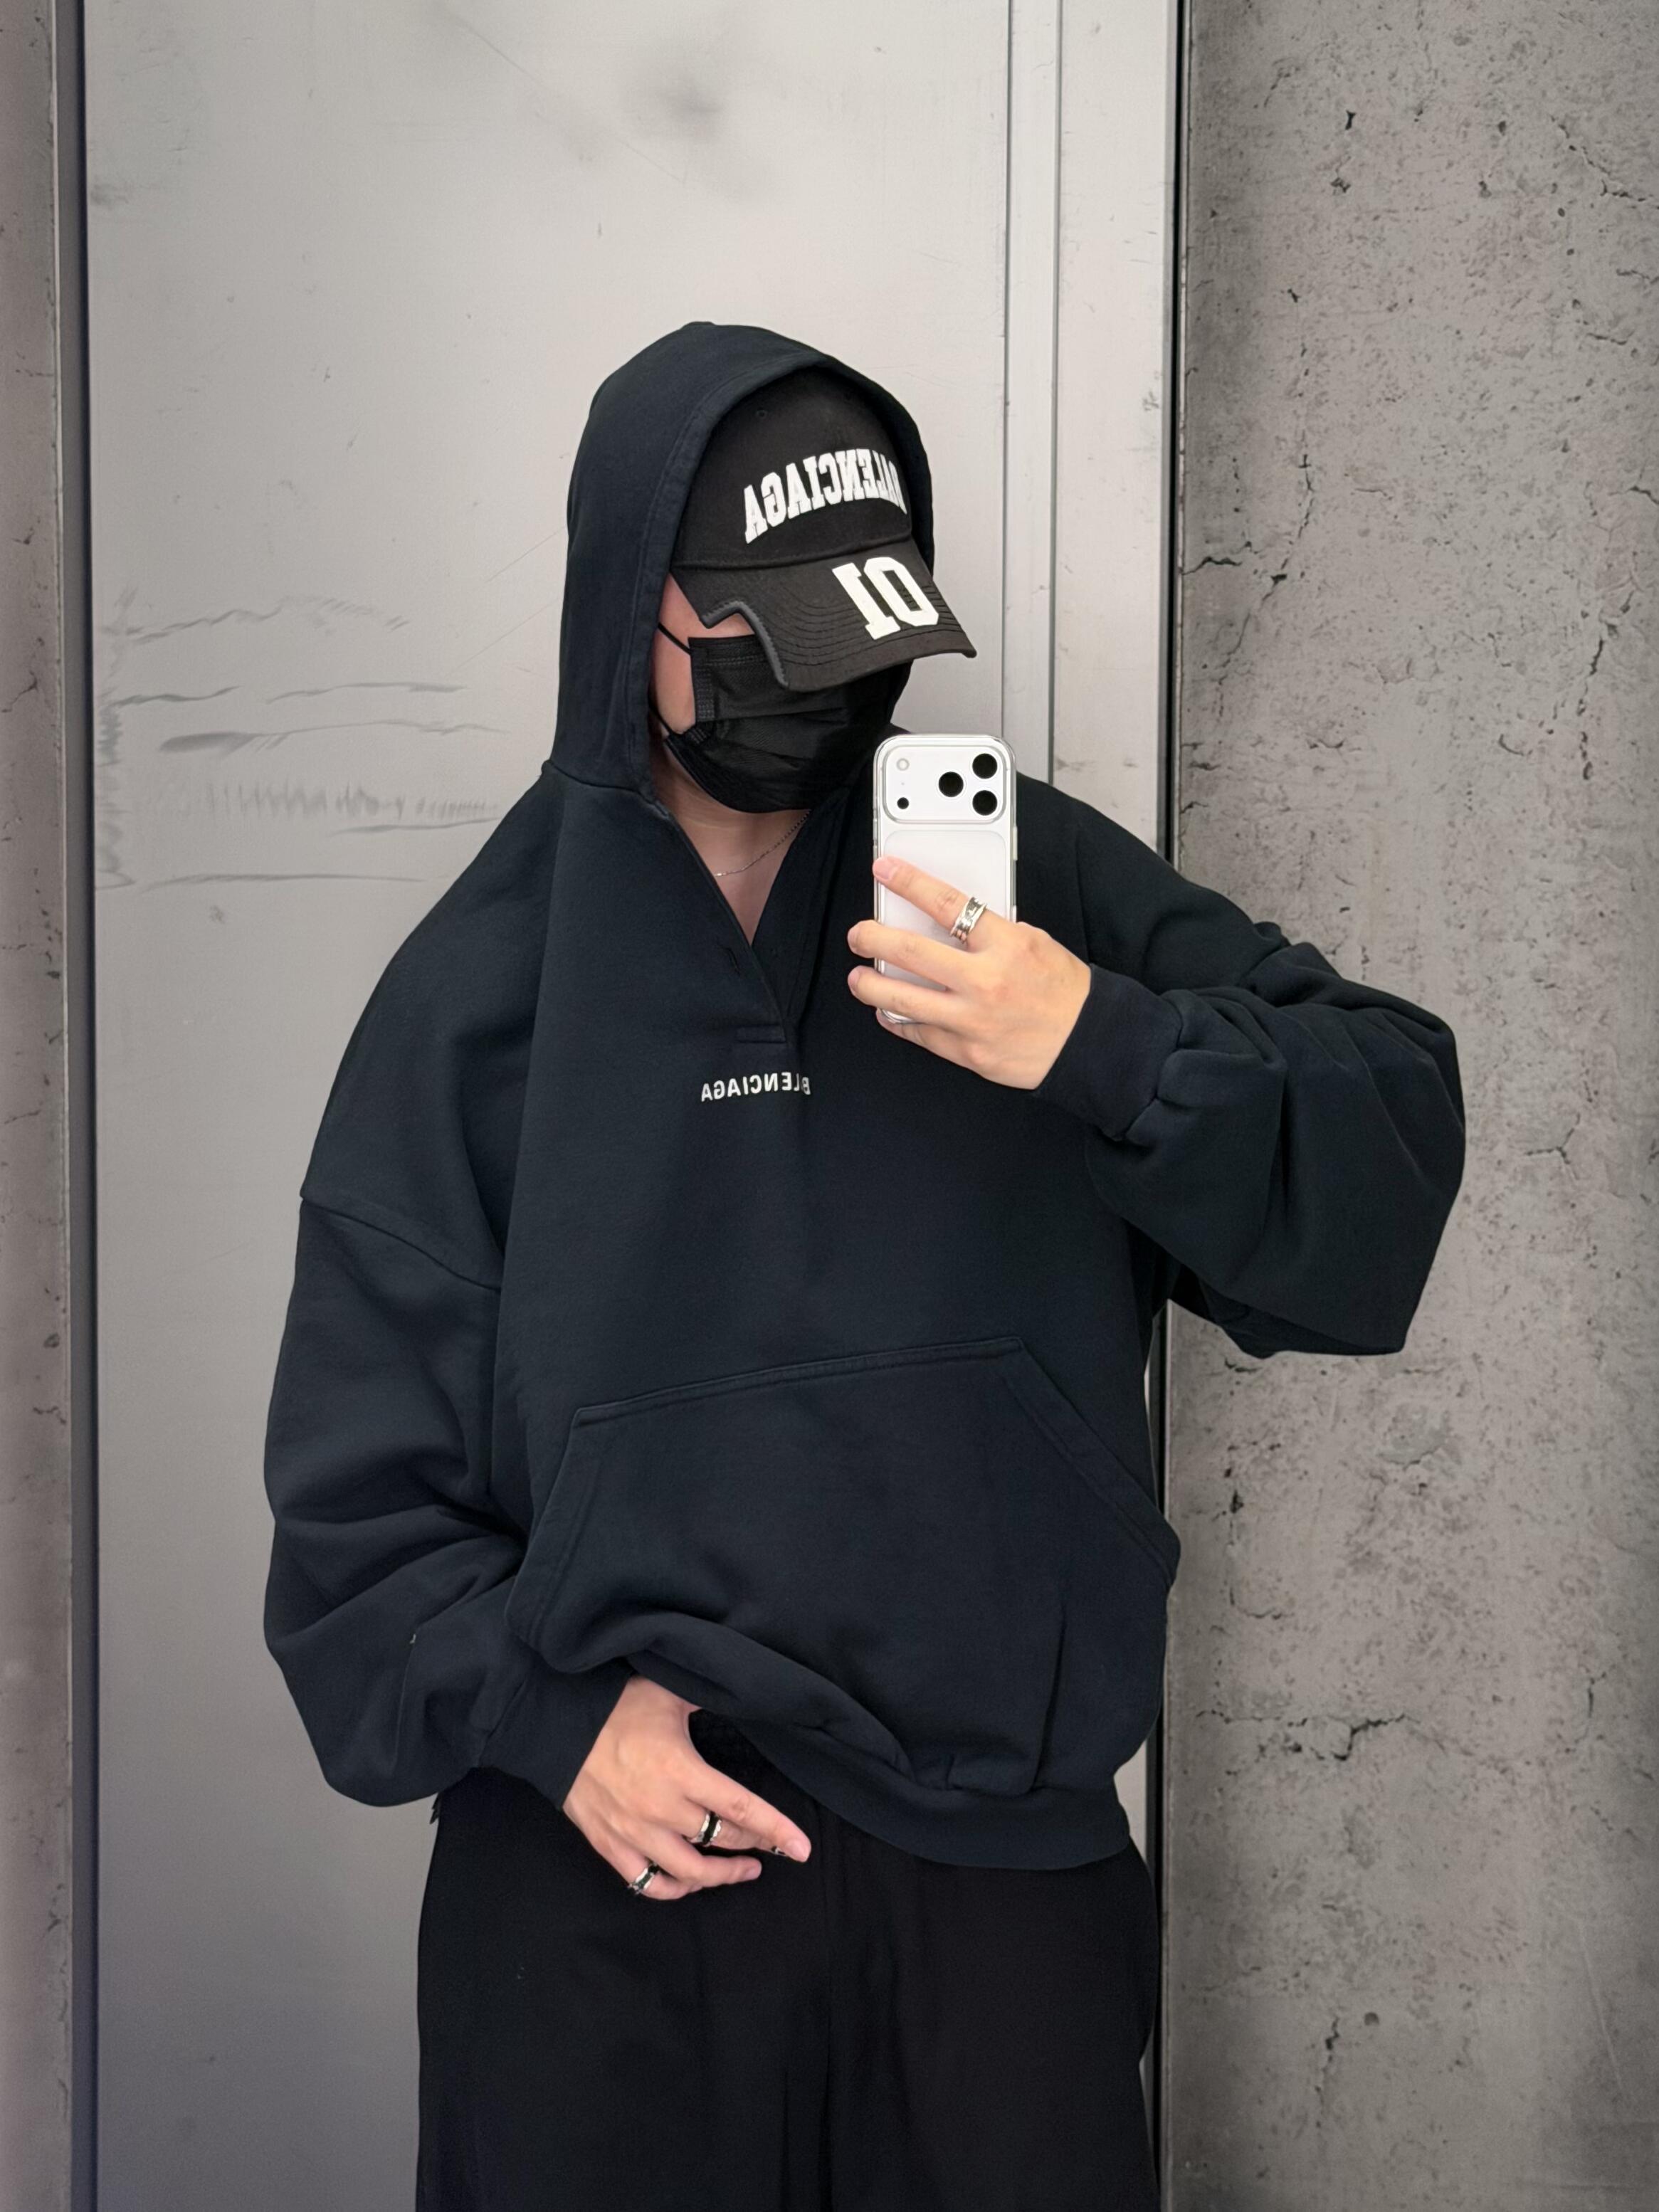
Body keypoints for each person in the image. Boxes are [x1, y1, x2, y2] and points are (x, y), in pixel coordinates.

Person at [260, 323, 1465, 2210]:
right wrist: (549, 1720)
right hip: (608, 1880)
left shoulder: (1025, 893)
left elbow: (1387, 1133)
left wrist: (1101, 1040)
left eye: (860, 647)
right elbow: (350, 1517)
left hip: (999, 1884)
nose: (823, 700)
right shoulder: (483, 991)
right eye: (766, 645)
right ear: (631, 611)